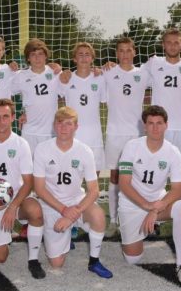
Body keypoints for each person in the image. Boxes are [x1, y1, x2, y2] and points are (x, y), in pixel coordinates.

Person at [32, 107, 112, 278]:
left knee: (98, 215)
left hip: (76, 201)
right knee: (57, 264)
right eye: (60, 123)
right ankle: (67, 234)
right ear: (54, 125)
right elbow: (39, 189)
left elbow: (94, 191)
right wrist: (63, 210)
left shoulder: (84, 151)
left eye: (69, 124)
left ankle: (94, 261)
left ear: (76, 127)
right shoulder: (42, 149)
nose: (63, 127)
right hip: (52, 204)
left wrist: (70, 214)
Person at [117, 106, 181, 284]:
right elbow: (124, 184)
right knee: (132, 259)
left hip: (158, 203)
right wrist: (147, 206)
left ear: (166, 125)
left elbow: (177, 189)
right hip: (132, 204)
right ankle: (138, 231)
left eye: (159, 123)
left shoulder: (173, 151)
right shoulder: (131, 147)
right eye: (150, 123)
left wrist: (155, 209)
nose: (155, 127)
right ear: (144, 126)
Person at [0, 98, 46, 279]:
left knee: (35, 210)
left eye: (5, 116)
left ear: (13, 117)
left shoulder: (21, 144)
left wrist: (13, 207)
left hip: (17, 201)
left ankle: (34, 260)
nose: (1, 121)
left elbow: (28, 181)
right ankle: (2, 233)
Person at [143, 28, 181, 202]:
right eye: (169, 42)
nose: (172, 45)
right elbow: (130, 73)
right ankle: (155, 220)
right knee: (156, 174)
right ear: (163, 45)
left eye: (176, 42)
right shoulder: (154, 63)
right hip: (159, 128)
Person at [102, 37, 150, 224]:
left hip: (137, 133)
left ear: (134, 52)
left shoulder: (144, 74)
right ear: (116, 53)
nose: (125, 54)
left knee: (137, 174)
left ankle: (138, 213)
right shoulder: (107, 72)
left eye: (128, 50)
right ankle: (114, 217)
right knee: (115, 175)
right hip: (114, 132)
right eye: (121, 51)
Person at [59, 42, 107, 170]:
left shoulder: (100, 79)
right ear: (74, 59)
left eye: (87, 54)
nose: (84, 57)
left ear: (92, 58)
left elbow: (105, 100)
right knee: (73, 173)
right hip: (73, 133)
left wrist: (102, 69)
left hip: (94, 133)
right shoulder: (66, 78)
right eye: (80, 54)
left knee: (94, 174)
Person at [13, 38, 62, 152]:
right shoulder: (20, 76)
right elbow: (5, 93)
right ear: (28, 58)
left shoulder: (56, 73)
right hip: (29, 131)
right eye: (33, 54)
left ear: (46, 56)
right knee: (29, 168)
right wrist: (19, 112)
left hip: (51, 131)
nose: (37, 57)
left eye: (40, 54)